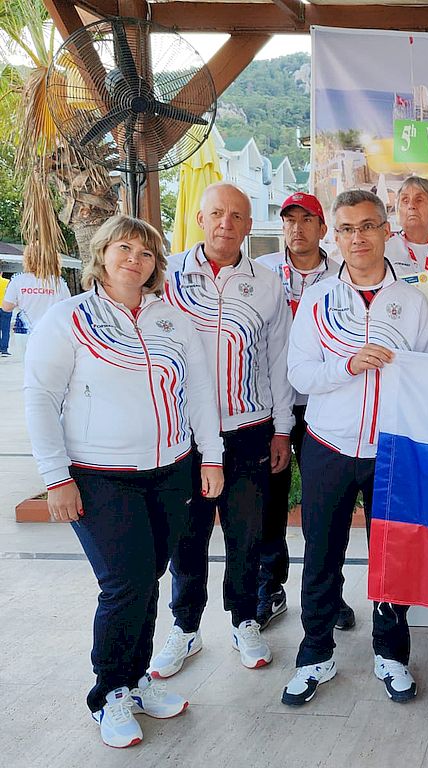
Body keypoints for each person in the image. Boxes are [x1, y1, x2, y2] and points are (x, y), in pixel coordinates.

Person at [23, 215, 225, 748]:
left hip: (171, 471)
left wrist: (211, 457)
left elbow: (199, 393)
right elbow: (40, 398)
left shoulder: (172, 320)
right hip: (99, 477)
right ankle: (108, 692)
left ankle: (135, 682)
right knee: (126, 584)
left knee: (147, 579)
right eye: (124, 248)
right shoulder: (69, 318)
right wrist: (55, 477)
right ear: (102, 254)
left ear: (157, 264)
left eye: (146, 252)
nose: (135, 259)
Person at [282, 190, 428, 707]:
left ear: (386, 231)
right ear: (336, 236)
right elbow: (300, 374)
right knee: (321, 554)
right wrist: (346, 365)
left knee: (390, 557)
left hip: (391, 450)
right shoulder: (319, 299)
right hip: (328, 445)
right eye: (347, 229)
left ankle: (390, 653)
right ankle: (315, 652)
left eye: (368, 226)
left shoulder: (412, 299)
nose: (358, 238)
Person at [152, 182, 294, 678]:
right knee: (186, 535)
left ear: (249, 226)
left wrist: (282, 428)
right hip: (185, 435)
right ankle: (185, 627)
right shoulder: (166, 276)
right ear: (199, 218)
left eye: (236, 216)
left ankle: (245, 619)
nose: (225, 224)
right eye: (216, 214)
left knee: (247, 533)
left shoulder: (268, 284)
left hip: (248, 429)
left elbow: (278, 362)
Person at [254, 192, 356, 631]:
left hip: (324, 405)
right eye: (289, 220)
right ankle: (270, 585)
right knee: (270, 500)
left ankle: (329, 594)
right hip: (271, 402)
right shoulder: (261, 274)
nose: (297, 228)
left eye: (307, 220)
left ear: (322, 228)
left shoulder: (342, 276)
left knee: (323, 510)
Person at [384, 176, 428, 338]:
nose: (411, 206)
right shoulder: (385, 248)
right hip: (397, 326)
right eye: (405, 200)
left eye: (419, 200)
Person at [1, 242, 72, 339]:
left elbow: (6, 307)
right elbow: (68, 308)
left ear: (27, 258)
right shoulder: (59, 282)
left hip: (24, 331)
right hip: (51, 332)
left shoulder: (18, 280)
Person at [0, 272, 11, 356]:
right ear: (1, 273)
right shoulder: (7, 282)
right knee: (5, 330)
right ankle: (4, 350)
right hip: (5, 307)